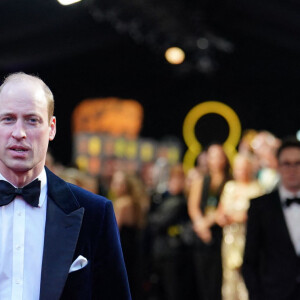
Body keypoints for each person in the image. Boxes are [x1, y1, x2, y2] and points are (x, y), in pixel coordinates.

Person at [0, 72, 131, 300]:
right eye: (8, 118)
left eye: (32, 120)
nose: (19, 133)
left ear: (51, 128)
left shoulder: (94, 213)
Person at [242, 137, 300, 300]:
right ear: (278, 166)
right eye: (286, 163)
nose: (292, 169)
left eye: (298, 163)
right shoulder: (260, 206)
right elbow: (249, 260)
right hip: (274, 294)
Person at [216, 153, 263, 300]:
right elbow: (219, 213)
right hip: (230, 240)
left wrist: (236, 217)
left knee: (247, 279)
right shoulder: (229, 187)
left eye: (243, 168)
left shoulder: (257, 188)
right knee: (230, 279)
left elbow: (257, 217)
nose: (241, 171)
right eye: (238, 168)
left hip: (248, 240)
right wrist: (223, 218)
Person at [188, 144, 231, 300]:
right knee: (202, 280)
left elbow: (225, 208)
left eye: (219, 156)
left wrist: (206, 222)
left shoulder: (229, 181)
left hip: (221, 234)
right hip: (201, 235)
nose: (216, 160)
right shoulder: (201, 180)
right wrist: (201, 225)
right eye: (212, 156)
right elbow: (193, 206)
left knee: (217, 280)